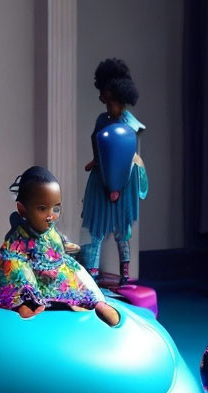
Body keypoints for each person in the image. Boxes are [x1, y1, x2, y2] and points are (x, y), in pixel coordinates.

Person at [0, 166, 120, 325]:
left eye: (56, 208)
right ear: (23, 210)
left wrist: (64, 245)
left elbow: (57, 239)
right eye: (42, 209)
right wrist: (16, 263)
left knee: (77, 272)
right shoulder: (21, 234)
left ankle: (98, 303)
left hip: (56, 272)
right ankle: (25, 304)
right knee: (14, 268)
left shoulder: (51, 229)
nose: (50, 216)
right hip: (34, 274)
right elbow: (10, 254)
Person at [81, 58, 148, 285]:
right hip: (101, 178)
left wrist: (117, 185)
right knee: (97, 229)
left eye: (109, 96)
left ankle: (125, 274)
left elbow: (127, 154)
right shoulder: (102, 120)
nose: (105, 100)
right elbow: (96, 138)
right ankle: (92, 272)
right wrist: (96, 160)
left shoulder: (130, 125)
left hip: (124, 179)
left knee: (122, 230)